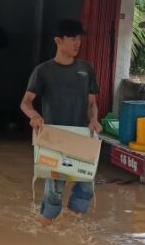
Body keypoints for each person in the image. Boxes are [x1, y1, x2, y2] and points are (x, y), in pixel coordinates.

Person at [20, 18, 103, 222]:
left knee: (86, 187)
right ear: (58, 41)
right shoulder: (43, 71)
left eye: (79, 38)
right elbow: (26, 103)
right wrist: (35, 116)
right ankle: (44, 231)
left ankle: (67, 226)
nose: (77, 43)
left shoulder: (86, 69)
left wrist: (94, 120)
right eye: (72, 38)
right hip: (54, 137)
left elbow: (92, 103)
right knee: (54, 191)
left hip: (82, 136)